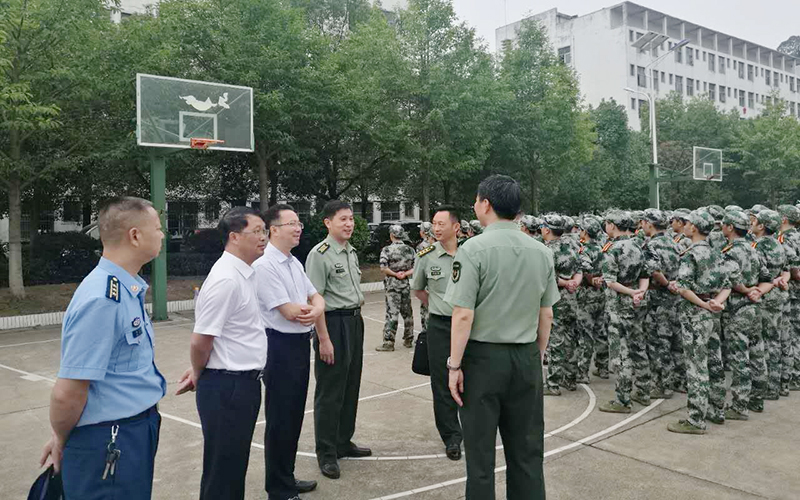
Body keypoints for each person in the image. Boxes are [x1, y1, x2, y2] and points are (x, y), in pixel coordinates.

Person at [39, 197, 166, 500]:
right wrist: (61, 438)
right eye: (158, 229)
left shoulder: (125, 288)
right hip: (110, 437)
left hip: (133, 429)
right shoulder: (102, 298)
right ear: (135, 236)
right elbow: (68, 390)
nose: (163, 235)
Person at [445, 174, 558, 500]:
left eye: (476, 200)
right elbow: (546, 313)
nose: (473, 205)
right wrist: (535, 355)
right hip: (524, 357)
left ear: (487, 205)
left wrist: (454, 365)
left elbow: (463, 314)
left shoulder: (473, 250)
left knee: (480, 456)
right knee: (527, 453)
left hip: (483, 360)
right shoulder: (541, 251)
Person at [177, 207, 268, 500]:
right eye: (257, 231)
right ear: (233, 236)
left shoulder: (243, 274)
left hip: (241, 383)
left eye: (265, 231)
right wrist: (199, 371)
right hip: (227, 386)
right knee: (223, 471)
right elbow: (201, 340)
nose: (264, 237)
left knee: (232, 467)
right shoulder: (227, 279)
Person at [254, 204, 325, 500]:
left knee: (294, 415)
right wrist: (314, 308)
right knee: (281, 418)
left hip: (297, 345)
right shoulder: (264, 265)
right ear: (273, 230)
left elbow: (316, 297)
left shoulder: (292, 262)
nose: (298, 228)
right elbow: (288, 311)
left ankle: (286, 475)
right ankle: (279, 489)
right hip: (278, 347)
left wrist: (316, 307)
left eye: (299, 223)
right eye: (291, 223)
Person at [305, 201, 371, 480]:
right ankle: (327, 452)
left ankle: (344, 441)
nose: (349, 224)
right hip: (332, 324)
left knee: (350, 385)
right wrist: (324, 339)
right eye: (343, 219)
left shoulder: (350, 252)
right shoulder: (319, 255)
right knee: (330, 391)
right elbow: (314, 299)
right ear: (328, 223)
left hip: (355, 322)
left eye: (351, 219)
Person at [667, 210, 730, 434]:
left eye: (688, 223)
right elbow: (728, 283)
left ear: (694, 228)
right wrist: (717, 303)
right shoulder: (717, 252)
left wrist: (704, 304)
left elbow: (684, 288)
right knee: (715, 363)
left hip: (696, 313)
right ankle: (717, 410)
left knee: (696, 367)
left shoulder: (691, 254)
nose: (684, 225)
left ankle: (696, 419)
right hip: (713, 313)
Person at [411, 205, 463, 460]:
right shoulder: (426, 255)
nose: (436, 228)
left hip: (470, 326)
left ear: (456, 227)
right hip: (441, 326)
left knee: (472, 378)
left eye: (442, 223)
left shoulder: (472, 253)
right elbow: (419, 289)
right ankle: (452, 437)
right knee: (442, 383)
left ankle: (473, 428)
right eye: (434, 223)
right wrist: (438, 305)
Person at [598, 210, 652, 414]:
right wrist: (639, 292)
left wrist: (630, 293)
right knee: (638, 346)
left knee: (621, 352)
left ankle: (623, 399)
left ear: (612, 225)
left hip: (619, 305)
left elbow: (611, 281)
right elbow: (646, 275)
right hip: (637, 303)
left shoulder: (613, 249)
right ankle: (644, 391)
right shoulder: (640, 245)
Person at [720, 209, 768, 419]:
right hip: (754, 308)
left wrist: (747, 291)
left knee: (739, 358)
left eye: (724, 224)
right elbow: (767, 279)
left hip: (737, 309)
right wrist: (757, 292)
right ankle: (757, 400)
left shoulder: (729, 252)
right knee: (757, 353)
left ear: (730, 227)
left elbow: (730, 281)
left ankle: (740, 406)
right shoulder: (754, 249)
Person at [641, 208, 682, 399]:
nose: (642, 226)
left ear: (649, 224)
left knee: (658, 342)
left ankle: (663, 385)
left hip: (659, 298)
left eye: (643, 222)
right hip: (673, 299)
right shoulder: (674, 243)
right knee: (673, 340)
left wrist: (666, 284)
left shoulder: (651, 245)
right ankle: (677, 380)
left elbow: (654, 270)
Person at [541, 214, 582, 396]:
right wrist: (573, 283)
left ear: (547, 229)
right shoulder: (572, 247)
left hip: (555, 299)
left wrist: (565, 283)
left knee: (555, 340)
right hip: (572, 298)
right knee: (571, 338)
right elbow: (580, 269)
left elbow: (544, 277)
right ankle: (570, 379)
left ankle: (553, 384)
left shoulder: (546, 250)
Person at [751, 209, 790, 400]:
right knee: (775, 340)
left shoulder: (759, 246)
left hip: (764, 296)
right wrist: (779, 280)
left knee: (763, 343)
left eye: (755, 221)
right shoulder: (779, 244)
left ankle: (765, 387)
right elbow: (785, 270)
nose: (752, 223)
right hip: (778, 296)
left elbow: (760, 274)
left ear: (761, 226)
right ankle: (776, 384)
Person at [576, 215, 609, 382]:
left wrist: (591, 278)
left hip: (587, 295)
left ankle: (582, 372)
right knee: (601, 331)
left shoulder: (584, 250)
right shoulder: (604, 249)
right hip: (602, 294)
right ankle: (603, 367)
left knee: (586, 334)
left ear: (585, 232)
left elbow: (585, 268)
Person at [376, 225, 416, 351]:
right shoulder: (410, 250)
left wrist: (394, 274)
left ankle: (389, 342)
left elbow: (383, 268)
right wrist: (404, 274)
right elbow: (416, 267)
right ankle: (409, 339)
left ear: (391, 235)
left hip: (392, 285)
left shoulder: (386, 250)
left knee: (392, 313)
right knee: (407, 312)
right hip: (405, 284)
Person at [777, 205, 800, 392]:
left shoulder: (784, 238)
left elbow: (793, 270)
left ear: (784, 219)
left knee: (789, 336)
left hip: (792, 292)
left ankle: (792, 376)